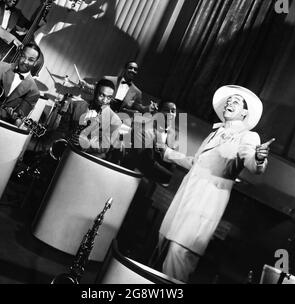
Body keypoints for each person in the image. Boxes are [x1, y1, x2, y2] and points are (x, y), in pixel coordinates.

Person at [152, 85, 275, 282]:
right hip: (184, 200)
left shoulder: (248, 136)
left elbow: (251, 161)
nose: (229, 103)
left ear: (245, 113)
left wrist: (259, 159)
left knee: (179, 255)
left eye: (235, 101)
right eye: (229, 100)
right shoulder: (214, 133)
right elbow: (196, 163)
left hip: (204, 205)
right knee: (162, 246)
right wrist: (167, 153)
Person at [50, 78, 123, 158]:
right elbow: (61, 130)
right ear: (95, 92)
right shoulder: (75, 105)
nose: (105, 101)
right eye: (102, 95)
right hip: (65, 151)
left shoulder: (115, 120)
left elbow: (105, 147)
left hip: (87, 159)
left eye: (109, 97)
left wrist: (87, 142)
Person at [79, 61, 158, 117]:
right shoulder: (108, 79)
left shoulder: (137, 92)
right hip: (96, 113)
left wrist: (148, 108)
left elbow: (139, 108)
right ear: (125, 69)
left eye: (135, 69)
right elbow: (95, 90)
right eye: (130, 68)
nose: (133, 71)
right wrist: (84, 85)